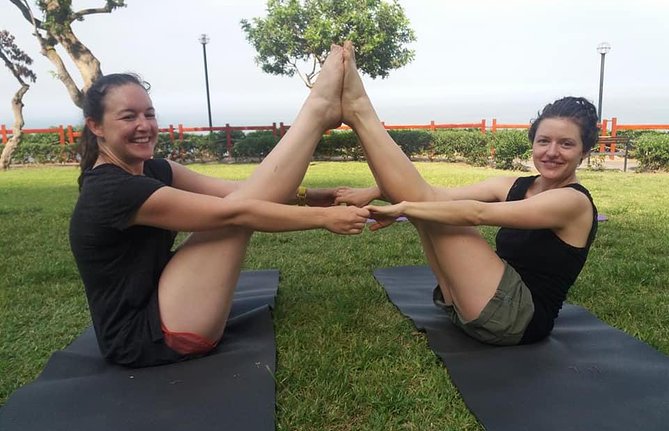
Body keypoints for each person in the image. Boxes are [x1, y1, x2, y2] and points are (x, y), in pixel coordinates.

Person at [69, 44, 369, 367]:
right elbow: (236, 211)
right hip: (142, 337)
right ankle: (317, 113)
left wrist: (311, 196)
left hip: (165, 300)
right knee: (235, 216)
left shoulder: (154, 169)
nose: (144, 125)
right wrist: (324, 218)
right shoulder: (112, 190)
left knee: (240, 202)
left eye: (149, 114)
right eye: (129, 116)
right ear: (96, 126)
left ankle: (318, 113)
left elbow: (237, 192)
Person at [335, 41, 598, 345]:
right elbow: (437, 195)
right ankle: (359, 113)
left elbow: (476, 213)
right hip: (472, 304)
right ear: (533, 143)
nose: (552, 152)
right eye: (544, 141)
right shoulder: (514, 185)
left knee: (438, 214)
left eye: (566, 144)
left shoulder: (572, 201)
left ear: (584, 152)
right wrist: (380, 191)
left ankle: (360, 112)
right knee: (429, 207)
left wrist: (404, 206)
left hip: (518, 319)